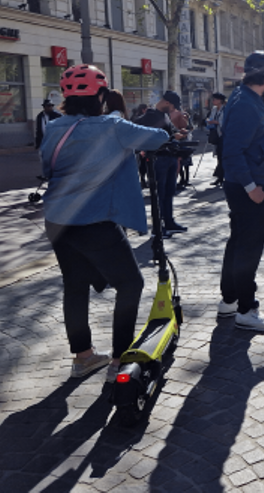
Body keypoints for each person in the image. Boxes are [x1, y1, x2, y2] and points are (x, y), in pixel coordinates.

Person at [41, 64, 169, 382]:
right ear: (100, 94)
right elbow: (158, 138)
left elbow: (45, 167)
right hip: (94, 220)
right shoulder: (112, 125)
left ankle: (83, 357)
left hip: (57, 220)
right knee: (130, 284)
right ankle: (119, 360)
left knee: (75, 285)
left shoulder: (54, 127)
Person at [218, 51, 264, 332]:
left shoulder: (243, 96)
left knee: (237, 242)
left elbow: (257, 119)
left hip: (240, 184)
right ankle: (246, 309)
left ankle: (229, 300)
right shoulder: (246, 103)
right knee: (249, 247)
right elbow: (232, 151)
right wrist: (251, 188)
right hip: (248, 186)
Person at [134, 91, 188, 237]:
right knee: (159, 194)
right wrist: (173, 136)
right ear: (166, 102)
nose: (173, 110)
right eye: (173, 106)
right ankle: (158, 227)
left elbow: (169, 132)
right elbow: (151, 137)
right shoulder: (150, 116)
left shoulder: (164, 115)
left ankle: (169, 222)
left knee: (169, 192)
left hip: (169, 157)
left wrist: (178, 133)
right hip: (158, 158)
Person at [207, 93, 227, 186]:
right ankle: (220, 177)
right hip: (216, 134)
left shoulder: (225, 109)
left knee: (224, 156)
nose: (213, 101)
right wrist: (209, 121)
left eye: (215, 99)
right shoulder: (214, 109)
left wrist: (217, 122)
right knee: (219, 155)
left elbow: (227, 121)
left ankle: (223, 176)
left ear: (220, 100)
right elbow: (211, 118)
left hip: (224, 135)